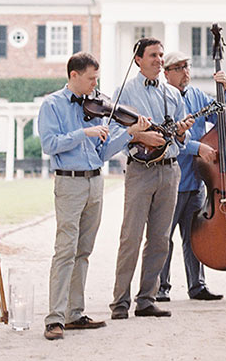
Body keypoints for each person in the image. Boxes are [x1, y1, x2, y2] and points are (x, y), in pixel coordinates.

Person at [39, 52, 150, 341]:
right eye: (91, 78)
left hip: (94, 182)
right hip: (70, 184)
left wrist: (129, 134)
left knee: (84, 251)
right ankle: (54, 319)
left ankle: (75, 313)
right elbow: (50, 144)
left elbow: (102, 153)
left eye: (97, 78)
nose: (95, 84)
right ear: (74, 75)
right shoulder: (52, 104)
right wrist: (83, 132)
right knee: (65, 250)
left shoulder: (95, 108)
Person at [108, 38, 194, 320]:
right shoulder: (124, 91)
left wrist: (181, 132)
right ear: (138, 60)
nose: (159, 60)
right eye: (153, 55)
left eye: (160, 55)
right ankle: (120, 302)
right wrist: (140, 135)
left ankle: (146, 299)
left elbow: (182, 140)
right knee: (130, 237)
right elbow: (114, 136)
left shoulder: (173, 94)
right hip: (140, 171)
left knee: (160, 239)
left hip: (170, 171)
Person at [157, 50, 225, 302]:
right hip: (172, 179)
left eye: (187, 66)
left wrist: (223, 90)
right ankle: (160, 288)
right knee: (164, 238)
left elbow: (221, 116)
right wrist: (198, 148)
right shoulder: (162, 97)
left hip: (196, 180)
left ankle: (197, 286)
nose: (186, 71)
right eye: (179, 67)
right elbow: (169, 134)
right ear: (167, 73)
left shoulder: (197, 95)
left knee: (194, 237)